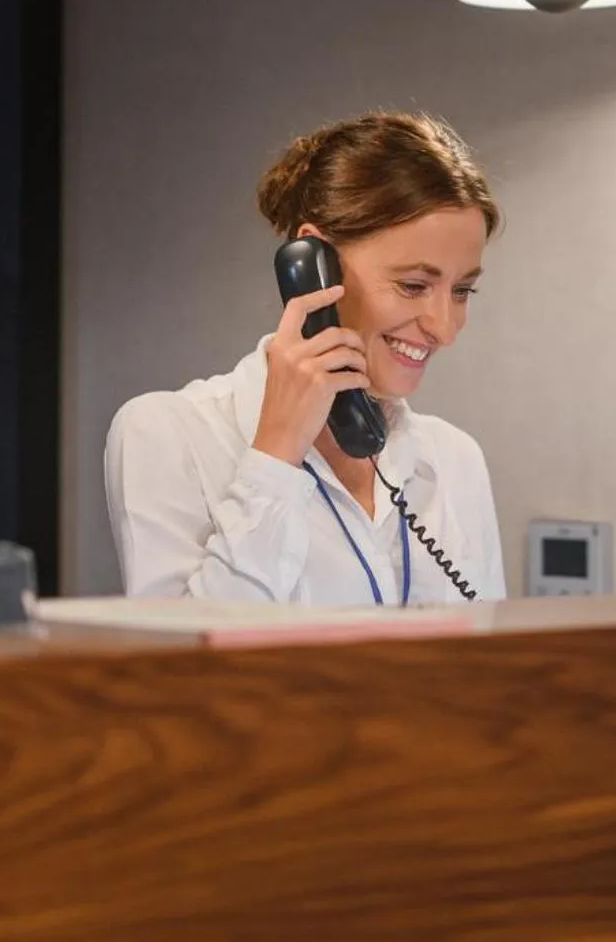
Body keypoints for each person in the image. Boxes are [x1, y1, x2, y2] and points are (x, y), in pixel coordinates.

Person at [105, 111, 504, 605]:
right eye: (413, 286)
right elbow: (182, 671)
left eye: (462, 290)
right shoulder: (168, 434)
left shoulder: (454, 460)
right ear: (315, 265)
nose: (444, 328)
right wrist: (276, 455)